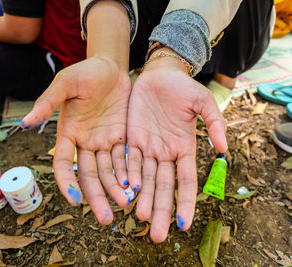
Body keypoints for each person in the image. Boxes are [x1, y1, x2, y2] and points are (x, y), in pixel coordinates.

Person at [22, 0, 274, 243]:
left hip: (227, 31)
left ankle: (224, 77)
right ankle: (133, 68)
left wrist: (174, 53)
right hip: (140, 29)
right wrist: (107, 56)